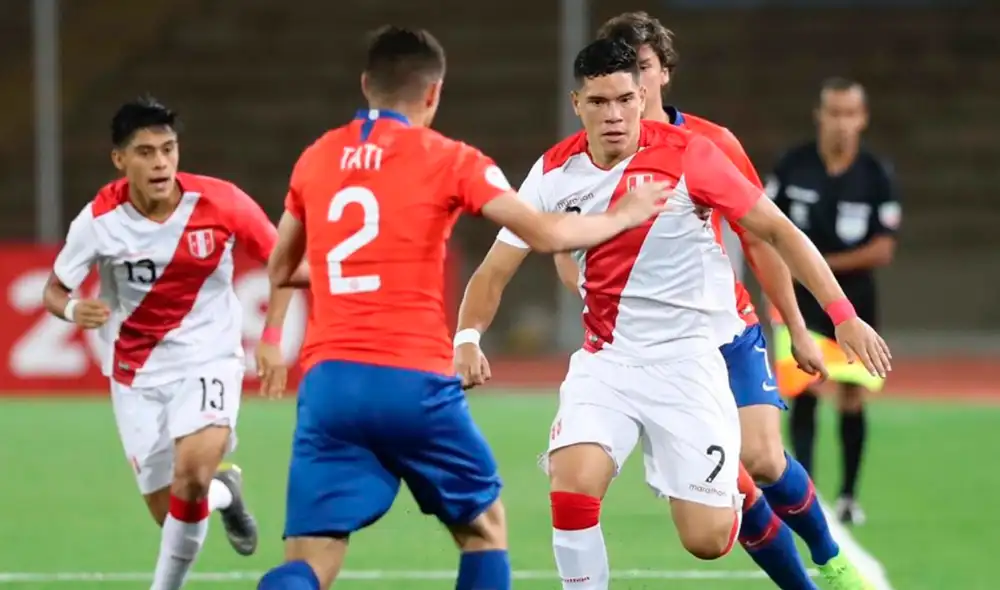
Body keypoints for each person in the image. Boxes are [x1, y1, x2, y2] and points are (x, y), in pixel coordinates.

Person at [454, 37, 890, 590]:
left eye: (623, 99)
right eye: (598, 102)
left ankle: (749, 501)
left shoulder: (693, 154)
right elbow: (494, 270)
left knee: (708, 538)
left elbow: (776, 231)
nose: (613, 115)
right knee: (572, 485)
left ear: (643, 96)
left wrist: (841, 314)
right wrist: (467, 336)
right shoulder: (553, 172)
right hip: (607, 363)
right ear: (577, 103)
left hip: (690, 365)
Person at [255, 26, 670, 590]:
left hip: (329, 384)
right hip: (412, 379)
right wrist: (621, 216)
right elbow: (543, 233)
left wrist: (340, 277)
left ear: (365, 86)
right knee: (483, 530)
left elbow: (280, 268)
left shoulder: (317, 158)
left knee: (313, 558)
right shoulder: (449, 159)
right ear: (433, 94)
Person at [41, 97, 294, 590]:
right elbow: (55, 289)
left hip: (209, 358)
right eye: (145, 152)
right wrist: (72, 310)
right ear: (120, 160)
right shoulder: (98, 220)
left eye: (168, 149)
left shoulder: (221, 202)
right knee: (176, 510)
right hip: (135, 373)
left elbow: (282, 262)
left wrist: (271, 337)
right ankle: (227, 492)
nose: (160, 163)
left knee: (192, 475)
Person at [767, 77, 901, 526]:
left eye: (850, 113)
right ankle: (809, 493)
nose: (841, 122)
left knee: (851, 394)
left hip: (856, 305)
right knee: (802, 391)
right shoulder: (792, 166)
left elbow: (884, 248)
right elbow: (765, 229)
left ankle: (848, 495)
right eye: (834, 112)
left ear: (862, 119)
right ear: (819, 115)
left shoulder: (876, 174)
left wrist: (816, 263)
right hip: (799, 304)